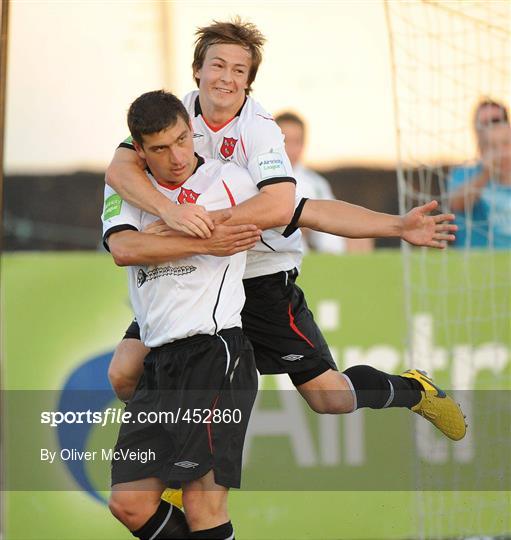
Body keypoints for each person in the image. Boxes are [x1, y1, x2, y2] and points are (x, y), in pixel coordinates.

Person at [105, 19, 465, 447]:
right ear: (197, 69)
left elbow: (285, 207)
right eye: (218, 65)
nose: (227, 78)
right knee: (125, 372)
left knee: (327, 397)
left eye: (240, 71)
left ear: (250, 82)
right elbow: (119, 168)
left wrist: (395, 225)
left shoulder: (259, 129)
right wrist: (173, 215)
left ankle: (413, 390)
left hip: (259, 270)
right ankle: (178, 460)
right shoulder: (174, 116)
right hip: (196, 271)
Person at [104, 90, 262, 540]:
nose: (175, 157)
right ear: (139, 151)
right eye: (159, 148)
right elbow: (123, 248)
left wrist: (395, 226)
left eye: (181, 141)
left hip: (214, 352)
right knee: (129, 503)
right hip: (159, 361)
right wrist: (200, 239)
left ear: (190, 131)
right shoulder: (125, 187)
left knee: (202, 504)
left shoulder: (230, 179)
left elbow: (289, 206)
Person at [275, 111, 374, 253]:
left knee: (361, 238)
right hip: (283, 245)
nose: (290, 149)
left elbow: (333, 216)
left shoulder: (315, 182)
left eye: (296, 142)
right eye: (285, 141)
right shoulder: (261, 178)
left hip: (320, 241)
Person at [448, 99, 511, 248]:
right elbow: (456, 204)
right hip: (476, 265)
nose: (489, 127)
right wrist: (487, 173)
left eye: (495, 120)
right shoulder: (464, 174)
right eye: (483, 124)